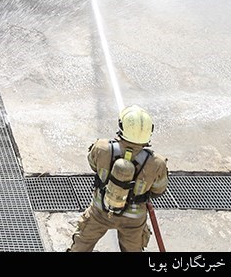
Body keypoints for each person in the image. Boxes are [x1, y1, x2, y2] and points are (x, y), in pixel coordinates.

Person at [68, 105, 169, 252]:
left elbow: (93, 165)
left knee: (82, 244)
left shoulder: (101, 148)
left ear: (122, 126)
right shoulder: (157, 163)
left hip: (100, 212)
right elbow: (158, 190)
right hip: (133, 220)